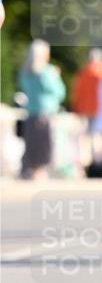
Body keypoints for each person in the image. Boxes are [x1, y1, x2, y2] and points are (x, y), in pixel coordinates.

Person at [18, 40, 65, 179]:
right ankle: (40, 173)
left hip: (31, 112)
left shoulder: (25, 72)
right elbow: (59, 92)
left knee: (32, 144)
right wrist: (57, 76)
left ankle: (33, 171)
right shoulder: (47, 71)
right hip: (46, 112)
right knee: (44, 145)